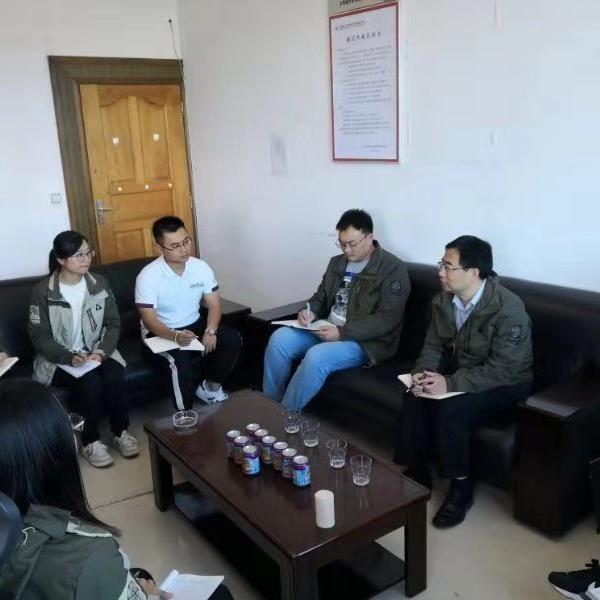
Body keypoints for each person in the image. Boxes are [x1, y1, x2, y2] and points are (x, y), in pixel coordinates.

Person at [0, 378, 234, 600]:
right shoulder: (88, 556)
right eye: (69, 424)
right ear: (48, 457)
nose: (74, 434)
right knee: (219, 594)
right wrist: (146, 596)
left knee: (137, 574)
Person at [395, 235, 533, 528]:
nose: (440, 273)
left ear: (473, 272)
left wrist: (450, 383)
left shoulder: (508, 308)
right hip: (465, 374)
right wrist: (423, 372)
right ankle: (418, 470)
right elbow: (433, 345)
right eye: (441, 264)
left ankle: (461, 488)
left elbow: (504, 369)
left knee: (452, 408)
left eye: (448, 266)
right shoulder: (443, 300)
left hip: (506, 385)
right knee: (414, 393)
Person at [263, 209, 410, 410]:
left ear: (369, 238)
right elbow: (320, 297)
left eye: (352, 244)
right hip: (326, 328)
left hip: (364, 343)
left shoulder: (392, 268)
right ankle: (268, 406)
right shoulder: (337, 262)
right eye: (342, 244)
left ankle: (284, 416)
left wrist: (342, 332)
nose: (346, 250)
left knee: (317, 356)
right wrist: (310, 311)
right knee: (279, 339)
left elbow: (387, 319)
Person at [27, 231, 139, 468]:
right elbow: (39, 336)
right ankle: (91, 441)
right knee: (90, 383)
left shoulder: (99, 283)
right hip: (58, 358)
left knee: (115, 374)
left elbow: (112, 323)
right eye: (79, 255)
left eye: (88, 253)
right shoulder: (43, 291)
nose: (86, 259)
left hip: (96, 350)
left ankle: (121, 432)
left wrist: (101, 351)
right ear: (61, 259)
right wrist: (68, 356)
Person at [135, 216, 242, 410]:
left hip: (194, 324)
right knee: (179, 362)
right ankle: (185, 415)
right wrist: (175, 336)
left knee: (231, 338)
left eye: (186, 241)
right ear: (159, 248)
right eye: (175, 246)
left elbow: (214, 304)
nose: (184, 249)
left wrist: (210, 330)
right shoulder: (148, 276)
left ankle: (210, 389)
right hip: (159, 332)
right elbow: (149, 320)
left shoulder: (200, 267)